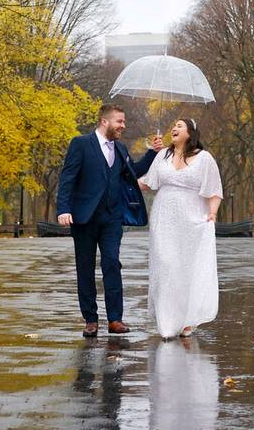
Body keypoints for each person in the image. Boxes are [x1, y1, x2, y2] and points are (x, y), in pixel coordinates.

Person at [57, 104, 164, 337]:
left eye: (123, 122)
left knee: (112, 264)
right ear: (105, 122)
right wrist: (63, 209)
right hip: (83, 218)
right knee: (85, 268)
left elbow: (133, 171)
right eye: (120, 122)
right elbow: (68, 178)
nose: (123, 126)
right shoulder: (81, 144)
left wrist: (153, 154)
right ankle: (90, 320)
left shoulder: (121, 148)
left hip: (112, 219)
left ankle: (115, 319)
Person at [139, 118, 222, 339]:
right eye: (173, 126)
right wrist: (123, 171)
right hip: (164, 218)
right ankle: (167, 321)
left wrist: (212, 213)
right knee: (166, 264)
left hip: (192, 218)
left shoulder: (204, 159)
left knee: (187, 267)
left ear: (191, 132)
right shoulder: (162, 155)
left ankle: (188, 319)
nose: (174, 129)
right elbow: (147, 183)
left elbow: (214, 191)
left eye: (180, 126)